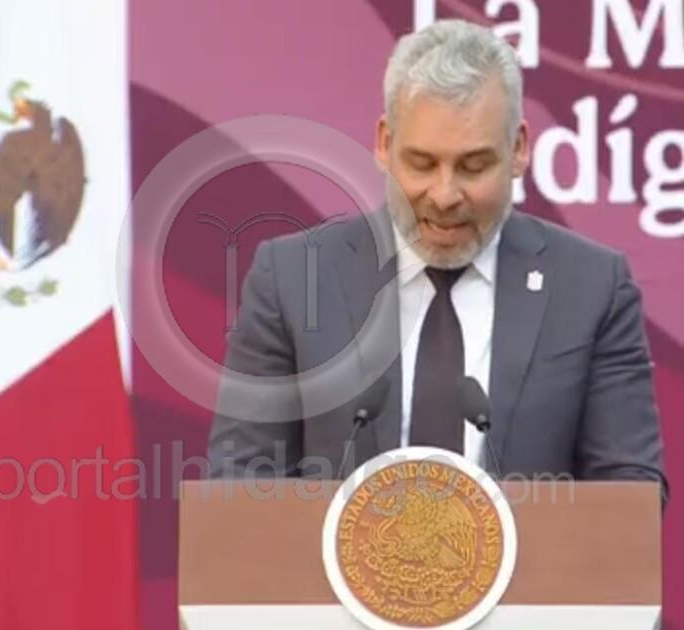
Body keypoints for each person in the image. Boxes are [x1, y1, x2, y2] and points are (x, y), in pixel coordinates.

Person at [207, 19, 667, 501]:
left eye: (473, 166)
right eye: (422, 164)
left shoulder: (591, 287)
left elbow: (631, 498)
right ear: (384, 143)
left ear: (518, 150)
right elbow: (239, 489)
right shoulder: (293, 280)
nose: (445, 195)